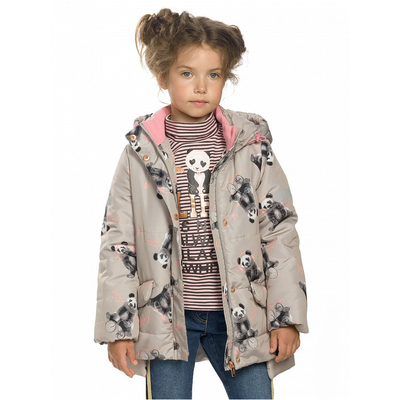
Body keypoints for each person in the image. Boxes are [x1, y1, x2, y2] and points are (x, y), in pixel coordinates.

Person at [94, 8, 309, 400]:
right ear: (162, 76)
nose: (201, 87)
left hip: (242, 313)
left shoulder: (250, 146)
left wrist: (285, 316)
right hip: (165, 316)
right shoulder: (140, 154)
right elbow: (118, 241)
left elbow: (279, 231)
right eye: (186, 73)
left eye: (213, 75)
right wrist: (119, 328)